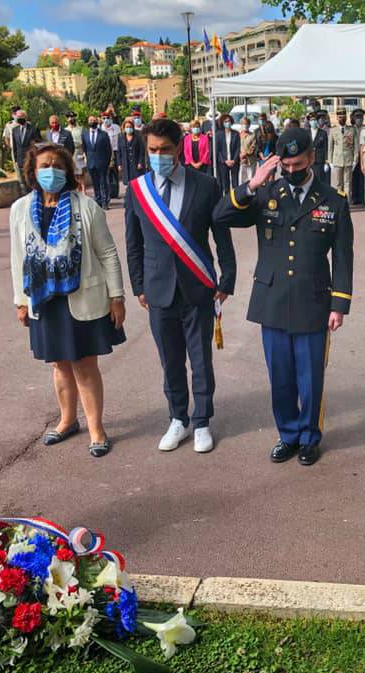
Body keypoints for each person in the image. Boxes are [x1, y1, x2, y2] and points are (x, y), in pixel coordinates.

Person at [213, 128, 354, 466]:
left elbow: (344, 257)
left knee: (310, 377)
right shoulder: (266, 194)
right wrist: (252, 183)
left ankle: (309, 437)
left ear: (312, 158)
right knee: (281, 376)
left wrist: (339, 304)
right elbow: (221, 215)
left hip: (313, 300)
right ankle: (288, 434)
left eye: (298, 163)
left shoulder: (333, 200)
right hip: (272, 299)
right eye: (286, 165)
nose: (292, 171)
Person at [125, 119, 236, 453]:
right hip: (158, 291)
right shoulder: (137, 189)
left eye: (165, 150)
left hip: (197, 287)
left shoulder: (205, 185)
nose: (159, 156)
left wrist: (226, 277)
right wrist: (139, 286)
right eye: (153, 150)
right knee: (170, 360)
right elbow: (133, 243)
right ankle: (178, 419)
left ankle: (202, 421)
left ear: (179, 149)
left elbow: (221, 235)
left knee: (200, 359)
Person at [9, 142, 127, 458]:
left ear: (68, 171)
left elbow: (108, 253)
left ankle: (96, 429)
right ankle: (66, 421)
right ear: (32, 172)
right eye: (45, 166)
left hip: (83, 297)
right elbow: (18, 256)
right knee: (60, 366)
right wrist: (20, 300)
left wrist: (117, 296)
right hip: (45, 299)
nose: (52, 172)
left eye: (58, 166)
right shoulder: (20, 209)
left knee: (85, 366)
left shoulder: (86, 207)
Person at [83, 116, 113, 210]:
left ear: (97, 122)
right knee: (95, 184)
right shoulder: (85, 134)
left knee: (103, 183)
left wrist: (107, 162)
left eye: (94, 120)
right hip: (91, 163)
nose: (92, 122)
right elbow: (85, 148)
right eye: (90, 120)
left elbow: (108, 150)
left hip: (102, 163)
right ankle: (98, 201)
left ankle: (105, 202)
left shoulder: (103, 134)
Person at [10, 110, 41, 191]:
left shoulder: (33, 129)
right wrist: (16, 159)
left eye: (21, 117)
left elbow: (39, 144)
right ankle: (26, 197)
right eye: (18, 117)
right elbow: (15, 146)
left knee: (32, 180)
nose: (19, 119)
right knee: (23, 182)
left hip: (31, 159)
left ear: (26, 118)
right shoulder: (14, 130)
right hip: (20, 160)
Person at [328, 108, 356, 197]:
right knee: (338, 184)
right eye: (340, 117)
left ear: (346, 117)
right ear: (337, 118)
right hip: (337, 161)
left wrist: (355, 160)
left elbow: (356, 147)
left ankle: (347, 203)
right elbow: (330, 147)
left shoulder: (352, 130)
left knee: (348, 183)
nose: (341, 119)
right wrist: (330, 162)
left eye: (343, 117)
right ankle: (340, 203)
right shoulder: (333, 130)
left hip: (348, 160)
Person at [214, 113, 240, 192]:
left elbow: (238, 148)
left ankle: (236, 198)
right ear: (222, 123)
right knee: (225, 183)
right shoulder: (218, 134)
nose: (227, 123)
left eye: (229, 121)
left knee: (235, 182)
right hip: (223, 162)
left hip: (234, 162)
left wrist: (234, 160)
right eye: (225, 121)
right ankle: (227, 199)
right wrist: (224, 161)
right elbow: (217, 150)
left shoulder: (236, 133)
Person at [117, 118, 146, 185]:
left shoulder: (138, 137)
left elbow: (141, 151)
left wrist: (140, 162)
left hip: (136, 164)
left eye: (130, 127)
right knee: (127, 184)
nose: (128, 128)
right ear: (124, 128)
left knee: (137, 183)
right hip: (125, 164)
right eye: (127, 127)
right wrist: (119, 164)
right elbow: (119, 152)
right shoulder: (121, 137)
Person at [102, 111, 122, 200]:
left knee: (115, 173)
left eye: (108, 118)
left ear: (111, 119)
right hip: (105, 153)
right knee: (107, 174)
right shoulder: (101, 128)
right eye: (104, 118)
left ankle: (116, 193)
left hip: (116, 151)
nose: (106, 120)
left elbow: (120, 139)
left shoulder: (116, 127)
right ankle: (109, 193)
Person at [67, 111, 87, 192]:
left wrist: (84, 153)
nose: (71, 119)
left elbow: (85, 141)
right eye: (69, 117)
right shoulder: (66, 130)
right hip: (70, 153)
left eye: (73, 117)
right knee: (74, 173)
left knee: (81, 173)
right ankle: (77, 190)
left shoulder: (81, 129)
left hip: (79, 151)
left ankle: (84, 191)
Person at [350, 109, 365, 205]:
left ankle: (362, 196)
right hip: (353, 156)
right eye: (357, 117)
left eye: (360, 117)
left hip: (363, 155)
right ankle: (354, 197)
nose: (359, 119)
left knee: (363, 177)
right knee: (353, 178)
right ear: (354, 118)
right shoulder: (350, 129)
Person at [310, 110, 329, 184]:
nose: (313, 122)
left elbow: (326, 148)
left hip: (320, 161)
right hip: (310, 162)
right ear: (309, 122)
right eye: (312, 120)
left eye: (315, 120)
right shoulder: (306, 132)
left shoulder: (322, 133)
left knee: (320, 182)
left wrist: (326, 162)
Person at [239, 116, 257, 185]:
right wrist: (239, 155)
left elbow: (253, 147)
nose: (245, 125)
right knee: (241, 180)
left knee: (251, 179)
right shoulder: (237, 135)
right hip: (240, 161)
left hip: (250, 161)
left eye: (246, 124)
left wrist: (245, 154)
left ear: (249, 125)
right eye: (243, 124)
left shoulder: (252, 135)